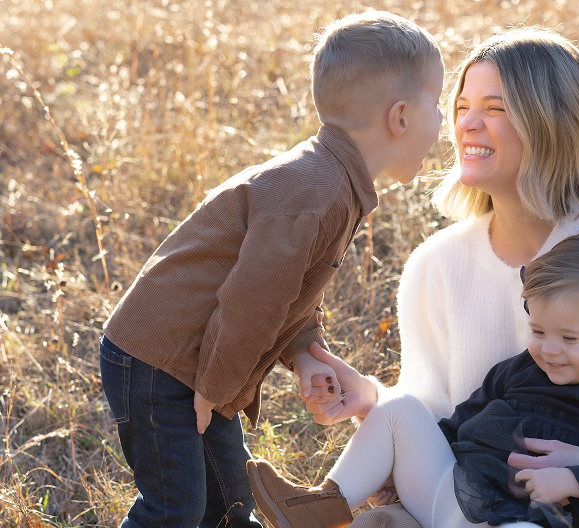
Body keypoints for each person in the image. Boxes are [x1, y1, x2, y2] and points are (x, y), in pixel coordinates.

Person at [292, 26, 579, 527]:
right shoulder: (435, 264)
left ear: (551, 121)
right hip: (480, 501)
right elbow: (443, 420)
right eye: (461, 106)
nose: (468, 124)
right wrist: (369, 399)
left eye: (495, 108)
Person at [98, 12, 445, 528]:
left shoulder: (332, 182)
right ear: (399, 118)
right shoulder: (317, 192)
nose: (443, 120)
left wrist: (305, 355)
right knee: (176, 509)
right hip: (157, 359)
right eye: (436, 105)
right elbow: (250, 305)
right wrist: (214, 391)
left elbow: (289, 292)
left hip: (195, 360)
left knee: (232, 506)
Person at [248, 232, 579, 528]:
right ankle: (323, 504)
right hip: (455, 498)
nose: (549, 349)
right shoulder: (521, 369)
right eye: (539, 331)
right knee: (400, 411)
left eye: (570, 338)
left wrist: (574, 480)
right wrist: (399, 469)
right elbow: (456, 426)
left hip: (529, 519)